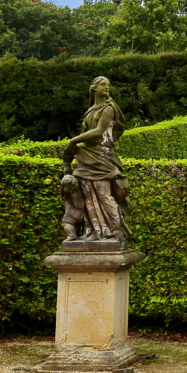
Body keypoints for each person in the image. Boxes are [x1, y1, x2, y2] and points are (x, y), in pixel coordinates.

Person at [61, 76, 130, 246]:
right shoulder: (91, 110)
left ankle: (116, 231)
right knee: (88, 196)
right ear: (94, 88)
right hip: (87, 156)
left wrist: (73, 141)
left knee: (104, 195)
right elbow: (87, 134)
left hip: (101, 156)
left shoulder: (109, 108)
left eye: (108, 86)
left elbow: (99, 132)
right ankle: (95, 232)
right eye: (103, 86)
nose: (106, 89)